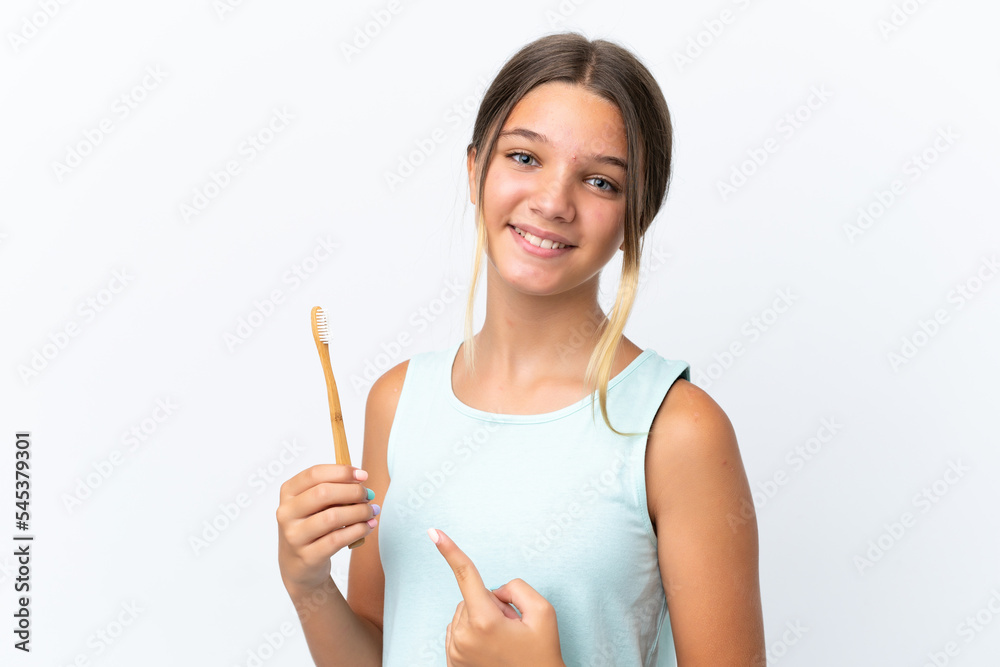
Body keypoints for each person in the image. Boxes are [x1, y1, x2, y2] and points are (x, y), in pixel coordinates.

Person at [277, 31, 765, 666]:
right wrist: (307, 585)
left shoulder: (678, 431)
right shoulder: (396, 403)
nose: (553, 202)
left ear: (636, 217)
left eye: (600, 181)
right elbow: (378, 649)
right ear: (475, 169)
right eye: (525, 158)